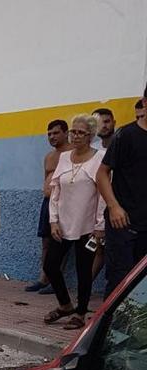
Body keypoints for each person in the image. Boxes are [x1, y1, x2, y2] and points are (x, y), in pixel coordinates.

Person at [43, 114, 106, 330]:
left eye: (80, 132)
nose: (75, 136)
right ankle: (65, 305)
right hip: (63, 223)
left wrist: (100, 226)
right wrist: (53, 221)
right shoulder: (64, 157)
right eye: (73, 131)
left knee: (83, 270)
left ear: (90, 135)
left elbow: (102, 195)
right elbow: (56, 190)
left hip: (87, 227)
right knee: (50, 265)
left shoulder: (100, 158)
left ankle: (80, 313)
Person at [97, 84, 147, 297]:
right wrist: (114, 206)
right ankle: (110, 329)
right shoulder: (126, 135)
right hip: (124, 224)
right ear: (145, 103)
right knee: (120, 282)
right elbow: (101, 174)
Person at [26, 120, 73, 292]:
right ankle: (44, 278)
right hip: (48, 202)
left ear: (66, 133)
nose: (52, 137)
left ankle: (56, 279)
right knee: (45, 241)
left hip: (64, 203)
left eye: (55, 133)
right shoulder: (49, 156)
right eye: (49, 134)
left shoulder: (72, 154)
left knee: (60, 242)